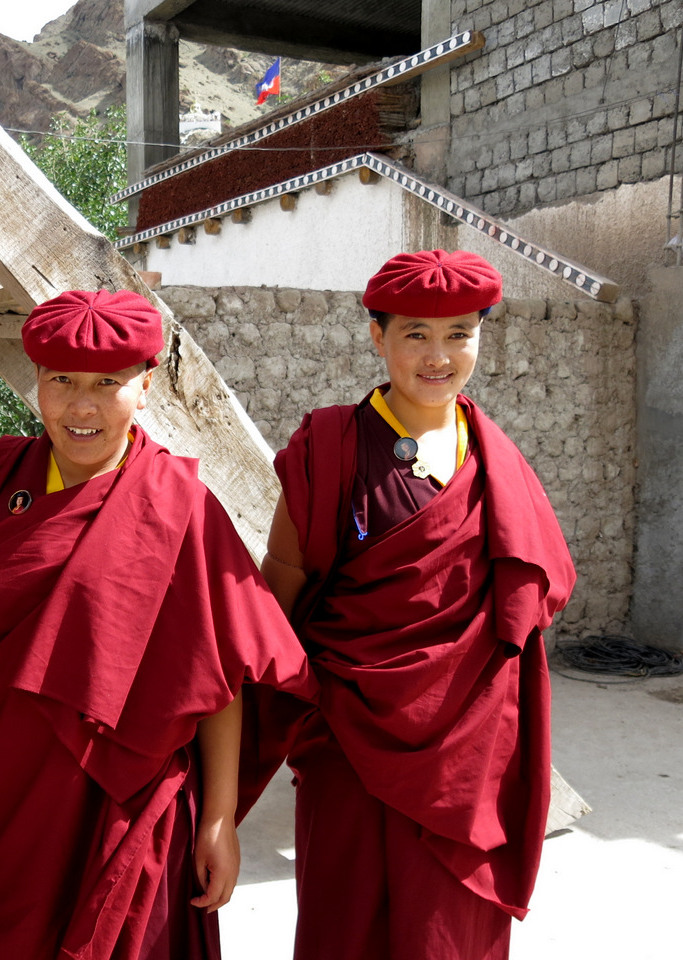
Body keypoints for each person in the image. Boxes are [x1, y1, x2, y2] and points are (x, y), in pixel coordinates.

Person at [0, 288, 314, 960]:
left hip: (129, 809)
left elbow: (217, 674)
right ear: (37, 379)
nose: (81, 407)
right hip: (0, 799)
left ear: (145, 387)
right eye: (61, 381)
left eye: (107, 383)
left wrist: (219, 819)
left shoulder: (181, 505)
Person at [259, 251, 577, 960]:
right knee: (347, 927)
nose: (439, 357)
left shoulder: (497, 461)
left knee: (449, 932)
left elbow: (533, 598)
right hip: (349, 738)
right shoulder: (331, 447)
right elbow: (279, 587)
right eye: (415, 334)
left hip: (469, 754)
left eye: (459, 334)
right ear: (378, 336)